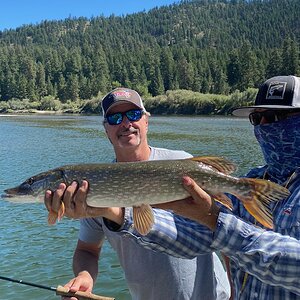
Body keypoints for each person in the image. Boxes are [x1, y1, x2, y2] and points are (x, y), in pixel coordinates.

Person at [114, 75, 300, 299]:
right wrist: (116, 213)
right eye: (256, 118)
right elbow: (198, 239)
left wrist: (215, 219)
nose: (263, 126)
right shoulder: (254, 179)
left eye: (273, 117)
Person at [45, 87, 230, 300]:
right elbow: (87, 250)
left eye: (133, 115)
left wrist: (236, 289)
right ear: (106, 129)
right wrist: (84, 277)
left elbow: (224, 227)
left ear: (146, 120)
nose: (126, 124)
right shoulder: (93, 187)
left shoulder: (181, 163)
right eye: (115, 118)